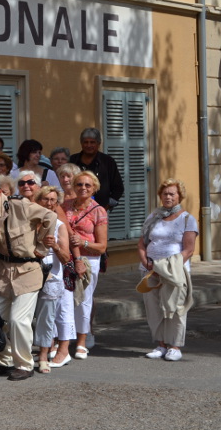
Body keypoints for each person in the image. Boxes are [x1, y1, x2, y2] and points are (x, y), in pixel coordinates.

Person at [0, 172, 56, 381]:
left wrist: (40, 244)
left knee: (18, 319)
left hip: (27, 271)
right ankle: (6, 360)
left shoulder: (19, 205)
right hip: (2, 272)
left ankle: (24, 364)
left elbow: (50, 216)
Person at [137, 179, 198, 362]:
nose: (168, 197)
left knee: (175, 307)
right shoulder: (153, 217)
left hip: (174, 272)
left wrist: (167, 267)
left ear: (179, 196)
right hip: (150, 270)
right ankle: (161, 345)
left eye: (172, 193)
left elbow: (188, 250)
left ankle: (175, 346)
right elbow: (142, 243)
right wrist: (146, 261)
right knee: (154, 307)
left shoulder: (187, 219)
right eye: (165, 193)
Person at [63, 170, 108, 360]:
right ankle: (64, 339)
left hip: (89, 260)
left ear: (94, 188)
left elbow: (102, 246)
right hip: (66, 258)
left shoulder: (98, 211)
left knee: (83, 300)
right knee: (63, 301)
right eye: (79, 184)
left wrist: (83, 243)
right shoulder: (65, 206)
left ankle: (81, 341)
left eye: (88, 185)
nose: (83, 188)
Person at [32, 186, 72, 373]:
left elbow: (66, 258)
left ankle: (42, 357)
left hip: (51, 277)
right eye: (45, 199)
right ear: (38, 201)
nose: (49, 203)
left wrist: (55, 246)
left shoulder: (59, 226)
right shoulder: (29, 223)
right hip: (28, 274)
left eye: (53, 200)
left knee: (46, 319)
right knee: (23, 318)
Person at [69, 128, 124, 211]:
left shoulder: (108, 161)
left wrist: (106, 207)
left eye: (92, 142)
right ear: (81, 143)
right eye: (86, 142)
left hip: (100, 210)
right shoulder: (72, 160)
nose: (89, 145)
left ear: (98, 144)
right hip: (75, 210)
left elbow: (118, 188)